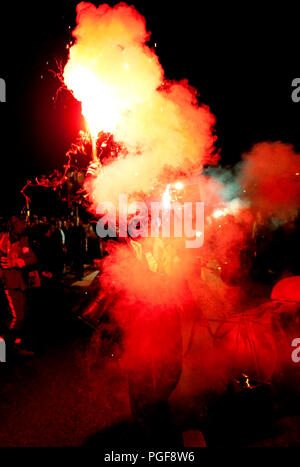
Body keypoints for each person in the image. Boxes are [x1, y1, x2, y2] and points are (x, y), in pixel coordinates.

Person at [0, 215, 37, 352]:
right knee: (16, 317)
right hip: (7, 283)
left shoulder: (24, 241)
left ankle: (16, 343)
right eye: (21, 223)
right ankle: (3, 346)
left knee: (23, 315)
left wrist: (21, 262)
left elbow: (32, 258)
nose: (24, 226)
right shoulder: (2, 239)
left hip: (20, 283)